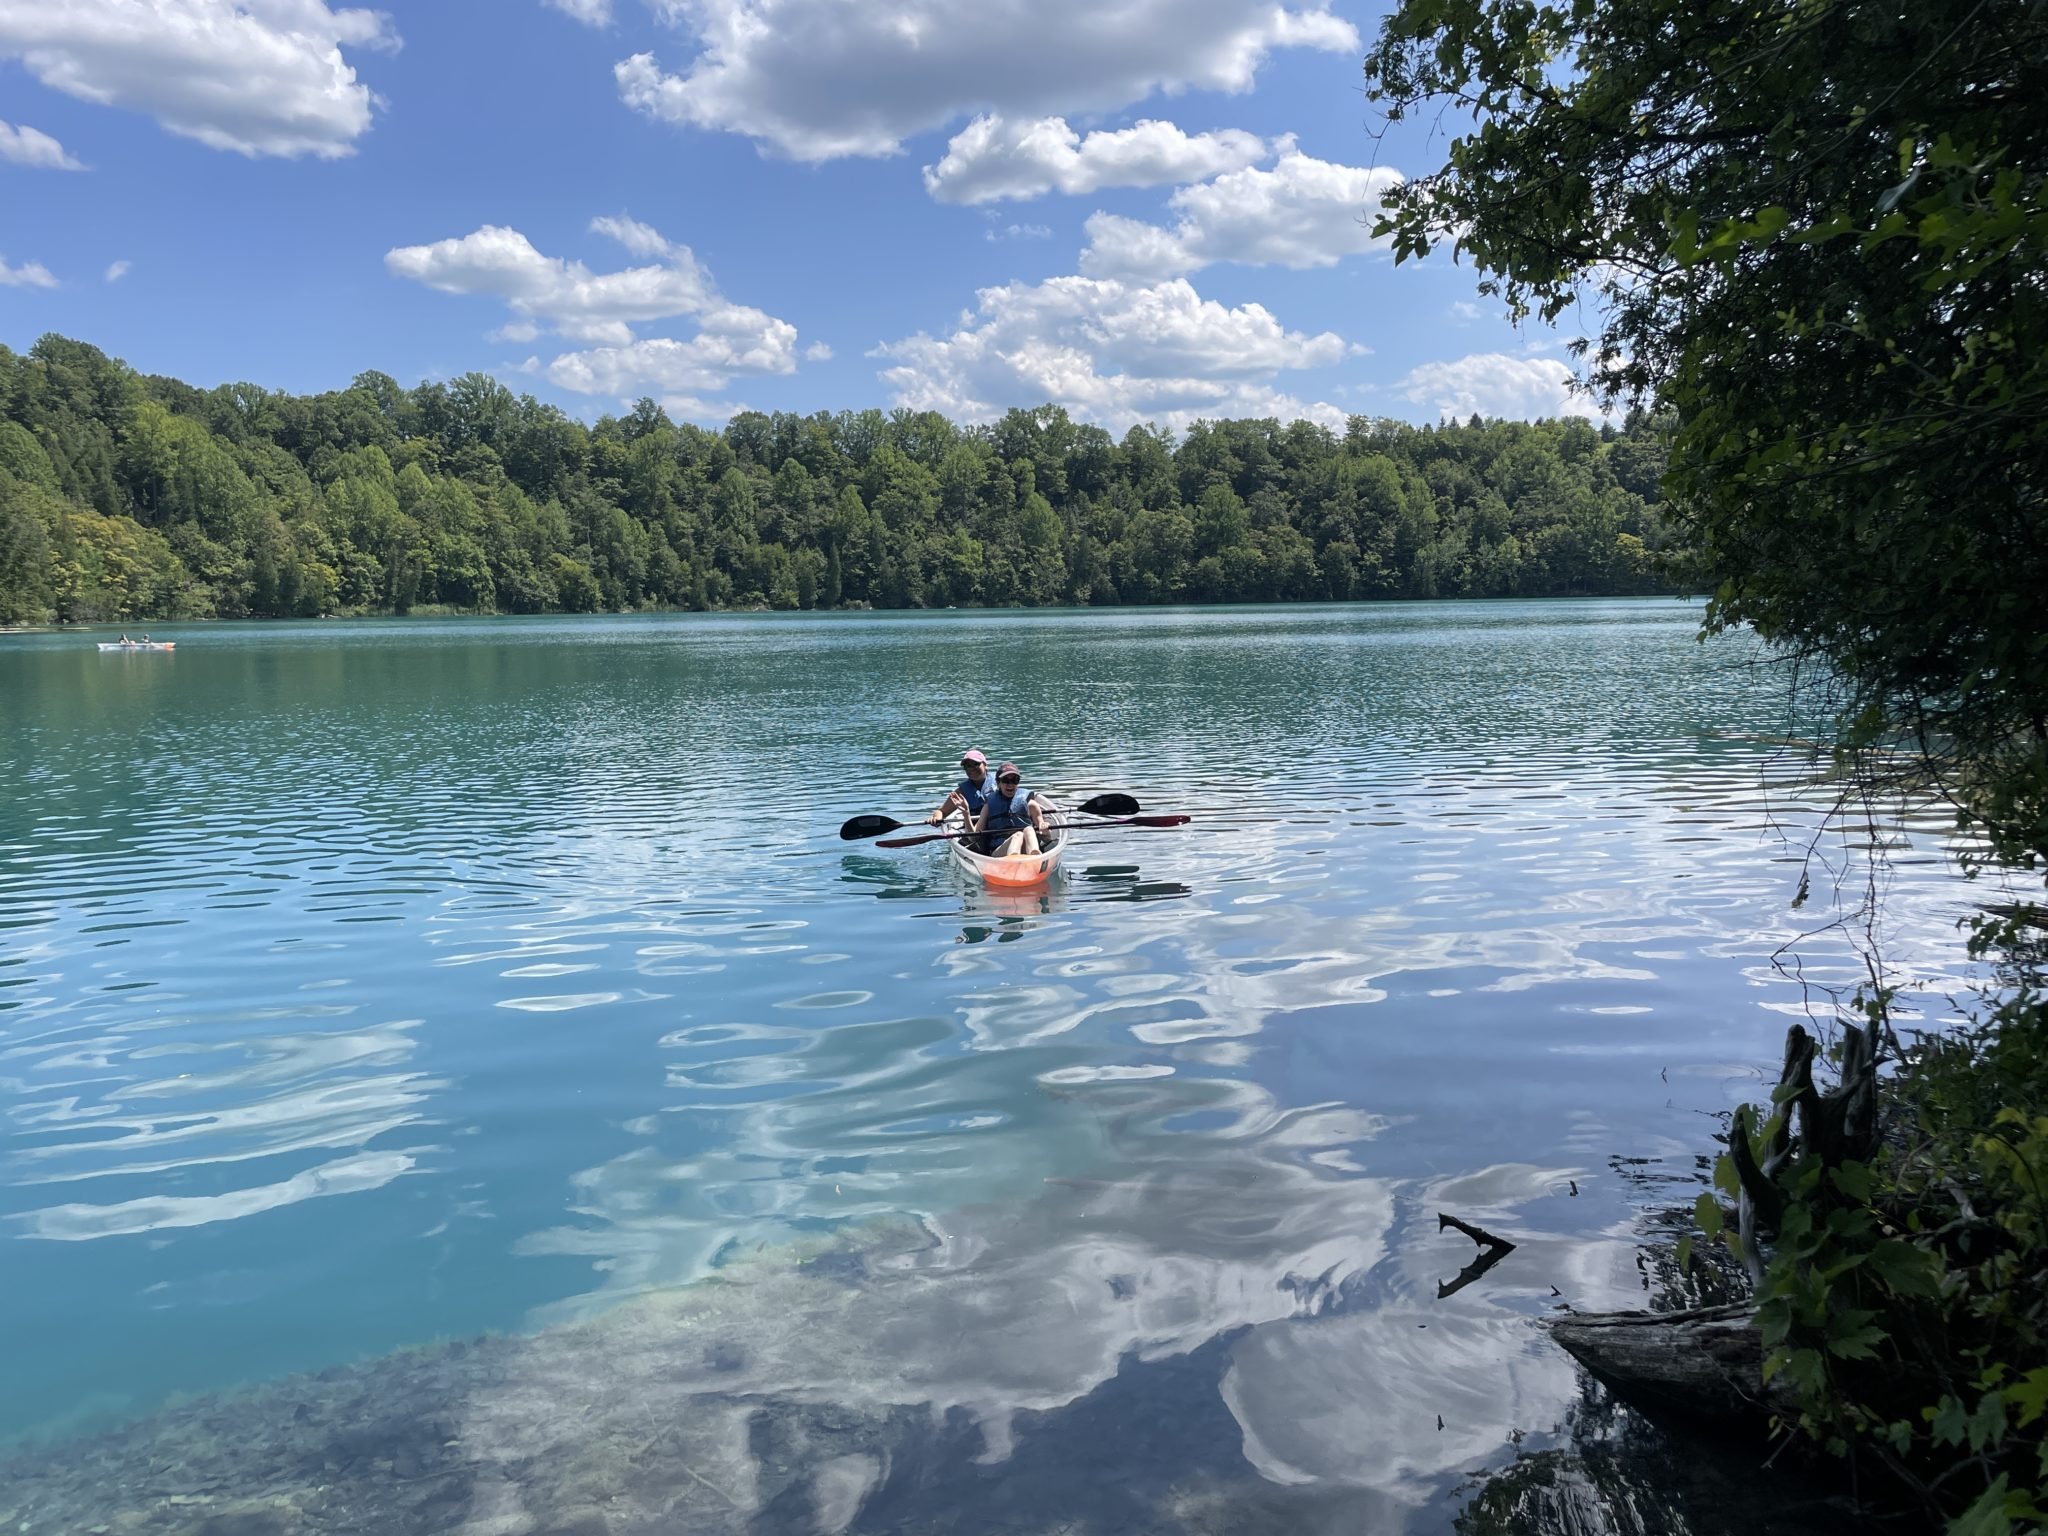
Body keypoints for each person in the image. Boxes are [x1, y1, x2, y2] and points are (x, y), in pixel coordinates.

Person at [971, 762, 1048, 857]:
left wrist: (1045, 829)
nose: (1010, 784)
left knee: (1028, 829)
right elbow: (976, 834)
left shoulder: (1030, 804)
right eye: (1006, 780)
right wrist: (966, 814)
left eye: (1014, 780)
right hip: (999, 852)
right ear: (998, 783)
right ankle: (1013, 859)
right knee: (1018, 835)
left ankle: (1035, 855)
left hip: (1025, 852)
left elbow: (1046, 835)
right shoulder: (989, 806)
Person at [927, 749, 995, 827]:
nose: (972, 769)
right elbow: (941, 811)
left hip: (997, 828)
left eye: (976, 764)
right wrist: (936, 818)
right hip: (973, 831)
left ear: (985, 765)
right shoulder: (962, 792)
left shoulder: (1001, 785)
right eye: (968, 766)